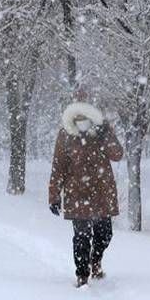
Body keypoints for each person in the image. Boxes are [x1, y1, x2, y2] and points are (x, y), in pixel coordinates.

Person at [48, 100, 124, 288]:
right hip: (77, 194)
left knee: (105, 234)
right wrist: (54, 195)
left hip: (101, 193)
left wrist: (105, 133)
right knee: (81, 237)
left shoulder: (101, 132)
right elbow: (58, 167)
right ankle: (82, 274)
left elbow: (117, 154)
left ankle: (95, 261)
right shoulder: (65, 135)